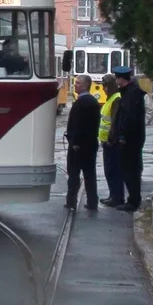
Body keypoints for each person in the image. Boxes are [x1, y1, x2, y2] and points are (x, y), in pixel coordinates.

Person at [111, 65, 148, 211]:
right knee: (131, 169)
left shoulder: (130, 95)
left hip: (130, 140)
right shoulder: (132, 93)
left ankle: (133, 201)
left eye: (117, 78)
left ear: (121, 79)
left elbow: (129, 118)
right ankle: (133, 199)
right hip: (134, 138)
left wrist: (122, 136)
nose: (116, 80)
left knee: (130, 170)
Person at [64, 75, 100, 210]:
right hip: (90, 144)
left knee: (73, 174)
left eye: (78, 83)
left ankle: (71, 201)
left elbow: (80, 125)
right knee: (90, 174)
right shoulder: (91, 101)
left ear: (85, 85)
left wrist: (75, 142)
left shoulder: (83, 103)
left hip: (79, 146)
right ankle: (92, 202)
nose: (75, 85)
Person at [98, 73, 125, 207]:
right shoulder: (110, 98)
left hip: (111, 143)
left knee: (114, 171)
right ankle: (112, 195)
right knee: (109, 171)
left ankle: (116, 197)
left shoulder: (116, 99)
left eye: (105, 86)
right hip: (106, 142)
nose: (103, 89)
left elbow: (114, 122)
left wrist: (110, 139)